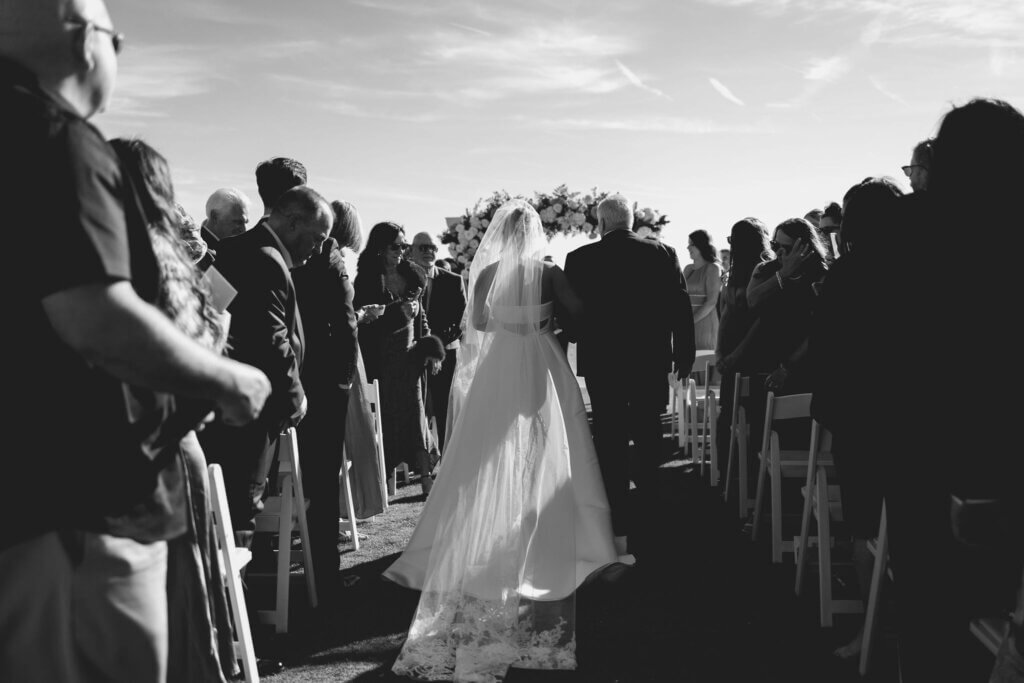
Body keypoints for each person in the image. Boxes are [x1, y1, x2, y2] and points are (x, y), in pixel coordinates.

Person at [0, 3, 270, 681]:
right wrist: (226, 379)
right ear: (85, 42)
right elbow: (93, 314)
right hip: (76, 501)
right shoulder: (51, 136)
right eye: (118, 38)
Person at [384, 199, 622, 682]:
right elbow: (578, 314)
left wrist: (513, 324)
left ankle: (490, 531)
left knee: (491, 451)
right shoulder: (549, 273)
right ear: (536, 233)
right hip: (540, 360)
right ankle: (541, 533)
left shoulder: (489, 271)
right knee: (548, 447)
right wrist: (546, 323)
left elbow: (477, 324)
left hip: (500, 366)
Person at [883, 98, 1024, 683]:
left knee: (931, 624)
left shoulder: (914, 227)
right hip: (1005, 451)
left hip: (929, 446)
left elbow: (889, 342)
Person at [198, 186, 332, 551]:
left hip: (222, 401)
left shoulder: (236, 249)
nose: (318, 248)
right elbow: (271, 340)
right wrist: (296, 398)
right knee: (242, 510)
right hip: (250, 415)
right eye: (317, 238)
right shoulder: (265, 259)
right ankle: (239, 603)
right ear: (292, 223)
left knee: (224, 509)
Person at [565, 194, 695, 555]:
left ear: (602, 223)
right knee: (648, 429)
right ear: (631, 220)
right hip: (648, 360)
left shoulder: (579, 258)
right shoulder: (662, 253)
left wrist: (573, 337)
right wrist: (683, 353)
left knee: (608, 434)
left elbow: (573, 313)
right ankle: (650, 503)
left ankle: (616, 510)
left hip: (603, 360)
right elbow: (679, 306)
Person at [809, 177, 903, 662]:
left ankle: (872, 632)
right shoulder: (924, 267)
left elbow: (826, 348)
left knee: (864, 529)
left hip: (862, 418)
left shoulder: (847, 275)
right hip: (914, 416)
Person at [291, 199, 360, 605]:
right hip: (319, 383)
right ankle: (325, 581)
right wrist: (344, 379)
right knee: (320, 482)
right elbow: (344, 317)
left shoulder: (237, 248)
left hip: (277, 382)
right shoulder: (326, 251)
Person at [354, 221, 443, 496]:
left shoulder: (413, 275)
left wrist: (431, 348)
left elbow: (422, 320)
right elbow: (365, 324)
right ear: (380, 248)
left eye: (404, 246)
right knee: (390, 419)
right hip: (381, 360)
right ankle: (386, 476)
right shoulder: (366, 279)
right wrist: (399, 312)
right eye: (396, 246)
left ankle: (426, 477)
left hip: (410, 359)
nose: (401, 251)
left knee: (416, 415)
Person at [714, 218, 772, 483]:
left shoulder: (756, 275)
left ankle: (731, 477)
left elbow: (759, 323)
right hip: (753, 356)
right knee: (755, 421)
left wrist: (726, 357)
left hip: (747, 357)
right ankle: (751, 480)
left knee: (731, 418)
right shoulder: (764, 272)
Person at [409, 231, 467, 452]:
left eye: (432, 248)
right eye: (422, 247)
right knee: (416, 412)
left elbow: (458, 323)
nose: (428, 252)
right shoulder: (401, 278)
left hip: (444, 356)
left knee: (444, 411)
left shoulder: (453, 281)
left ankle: (446, 460)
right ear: (411, 250)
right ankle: (422, 462)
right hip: (410, 355)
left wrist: (434, 349)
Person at [684, 228, 723, 352]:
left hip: (705, 323)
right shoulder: (688, 269)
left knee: (703, 364)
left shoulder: (713, 268)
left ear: (702, 245)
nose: (688, 248)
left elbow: (711, 302)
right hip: (686, 324)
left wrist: (690, 322)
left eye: (692, 244)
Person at [201, 187, 251, 254]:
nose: (244, 230)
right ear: (215, 216)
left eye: (246, 222)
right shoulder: (196, 252)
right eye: (238, 222)